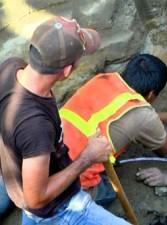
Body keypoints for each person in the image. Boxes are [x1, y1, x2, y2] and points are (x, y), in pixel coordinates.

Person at [0, 16, 130, 224]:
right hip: (59, 209)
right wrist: (87, 157)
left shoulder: (11, 67)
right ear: (68, 70)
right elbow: (36, 198)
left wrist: (68, 30)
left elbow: (94, 40)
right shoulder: (36, 126)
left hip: (22, 189)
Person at [60, 53, 167, 206]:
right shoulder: (145, 117)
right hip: (73, 182)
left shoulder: (102, 79)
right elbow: (164, 148)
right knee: (109, 192)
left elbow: (118, 112)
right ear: (151, 94)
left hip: (50, 156)